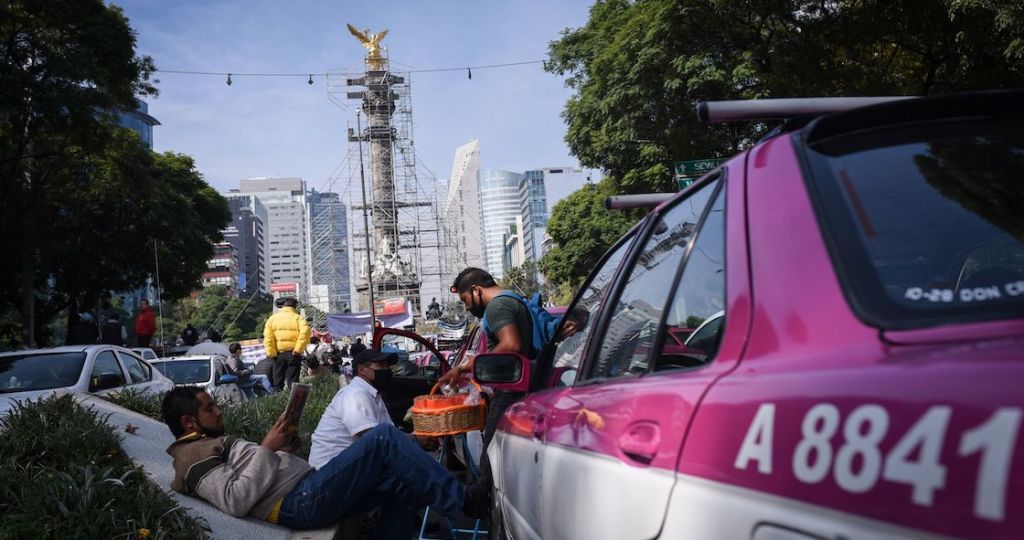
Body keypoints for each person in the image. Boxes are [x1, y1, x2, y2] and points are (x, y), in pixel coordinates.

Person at [160, 387, 480, 538]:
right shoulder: (190, 457)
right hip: (300, 502)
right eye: (209, 408)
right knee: (382, 437)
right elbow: (234, 499)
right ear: (189, 421)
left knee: (399, 480)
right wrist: (268, 449)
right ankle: (461, 501)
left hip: (307, 490)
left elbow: (254, 474)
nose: (219, 411)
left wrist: (282, 449)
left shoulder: (205, 444)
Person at [438, 267, 535, 514]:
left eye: (465, 300)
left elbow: (511, 344)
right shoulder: (514, 299)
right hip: (521, 388)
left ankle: (477, 506)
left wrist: (468, 365)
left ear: (476, 290)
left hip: (511, 391)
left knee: (490, 460)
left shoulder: (497, 306)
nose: (467, 307)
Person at [308, 349, 397, 469]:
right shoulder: (355, 394)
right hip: (330, 471)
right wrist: (415, 439)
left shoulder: (373, 394)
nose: (386, 370)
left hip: (349, 466)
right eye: (381, 365)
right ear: (362, 370)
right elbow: (377, 439)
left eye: (387, 366)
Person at [263, 297, 310, 390]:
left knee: (277, 382)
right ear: (294, 307)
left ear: (283, 306)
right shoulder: (299, 318)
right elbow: (305, 332)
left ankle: (277, 401)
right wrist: (297, 350)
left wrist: (271, 353)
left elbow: (268, 338)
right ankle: (292, 401)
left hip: (278, 354)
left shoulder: (272, 319)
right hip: (293, 353)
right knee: (292, 383)